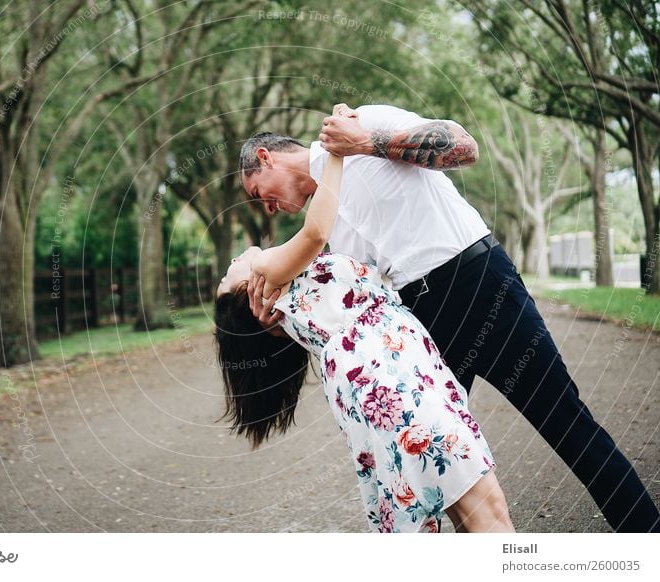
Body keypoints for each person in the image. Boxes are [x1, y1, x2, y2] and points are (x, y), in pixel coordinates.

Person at [239, 103, 660, 533]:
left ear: (265, 157)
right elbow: (347, 310)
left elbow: (463, 148)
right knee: (445, 471)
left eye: (258, 192)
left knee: (568, 424)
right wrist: (274, 318)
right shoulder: (323, 226)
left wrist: (366, 143)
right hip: (422, 325)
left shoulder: (358, 121)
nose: (267, 209)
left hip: (479, 283)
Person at [215, 110, 515, 533]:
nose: (233, 261)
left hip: (390, 371)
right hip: (390, 375)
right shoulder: (269, 270)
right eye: (228, 274)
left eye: (256, 190)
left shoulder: (292, 283)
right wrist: (335, 154)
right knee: (483, 508)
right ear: (246, 294)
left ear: (265, 158)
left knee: (462, 501)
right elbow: (315, 231)